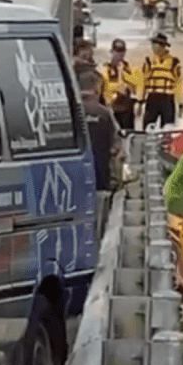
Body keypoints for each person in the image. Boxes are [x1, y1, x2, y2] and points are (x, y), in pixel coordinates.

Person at [80, 71, 123, 237]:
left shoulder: (69, 112)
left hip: (72, 183)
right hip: (100, 180)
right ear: (97, 90)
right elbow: (117, 149)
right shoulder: (105, 114)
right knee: (97, 229)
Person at [141, 33, 183, 130]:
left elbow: (179, 83)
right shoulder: (149, 61)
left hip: (167, 99)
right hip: (152, 97)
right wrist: (140, 100)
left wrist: (180, 103)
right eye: (152, 44)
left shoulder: (174, 62)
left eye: (155, 44)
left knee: (167, 128)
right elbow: (143, 81)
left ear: (162, 46)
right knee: (148, 127)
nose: (153, 47)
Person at [99, 38, 142, 131]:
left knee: (128, 134)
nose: (120, 54)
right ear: (112, 51)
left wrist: (139, 103)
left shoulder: (131, 70)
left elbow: (138, 87)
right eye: (117, 51)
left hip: (127, 109)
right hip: (112, 109)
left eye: (122, 51)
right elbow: (104, 89)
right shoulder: (105, 70)